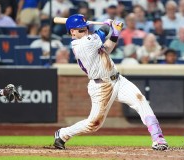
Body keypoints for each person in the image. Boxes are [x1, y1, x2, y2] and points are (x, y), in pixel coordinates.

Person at [53, 14, 168, 151]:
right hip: (101, 86)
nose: (86, 31)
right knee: (94, 124)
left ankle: (158, 138)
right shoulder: (82, 44)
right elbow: (102, 32)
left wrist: (115, 33)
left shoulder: (89, 40)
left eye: (86, 29)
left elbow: (107, 49)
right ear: (73, 32)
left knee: (140, 100)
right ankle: (63, 134)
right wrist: (108, 25)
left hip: (118, 80)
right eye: (82, 30)